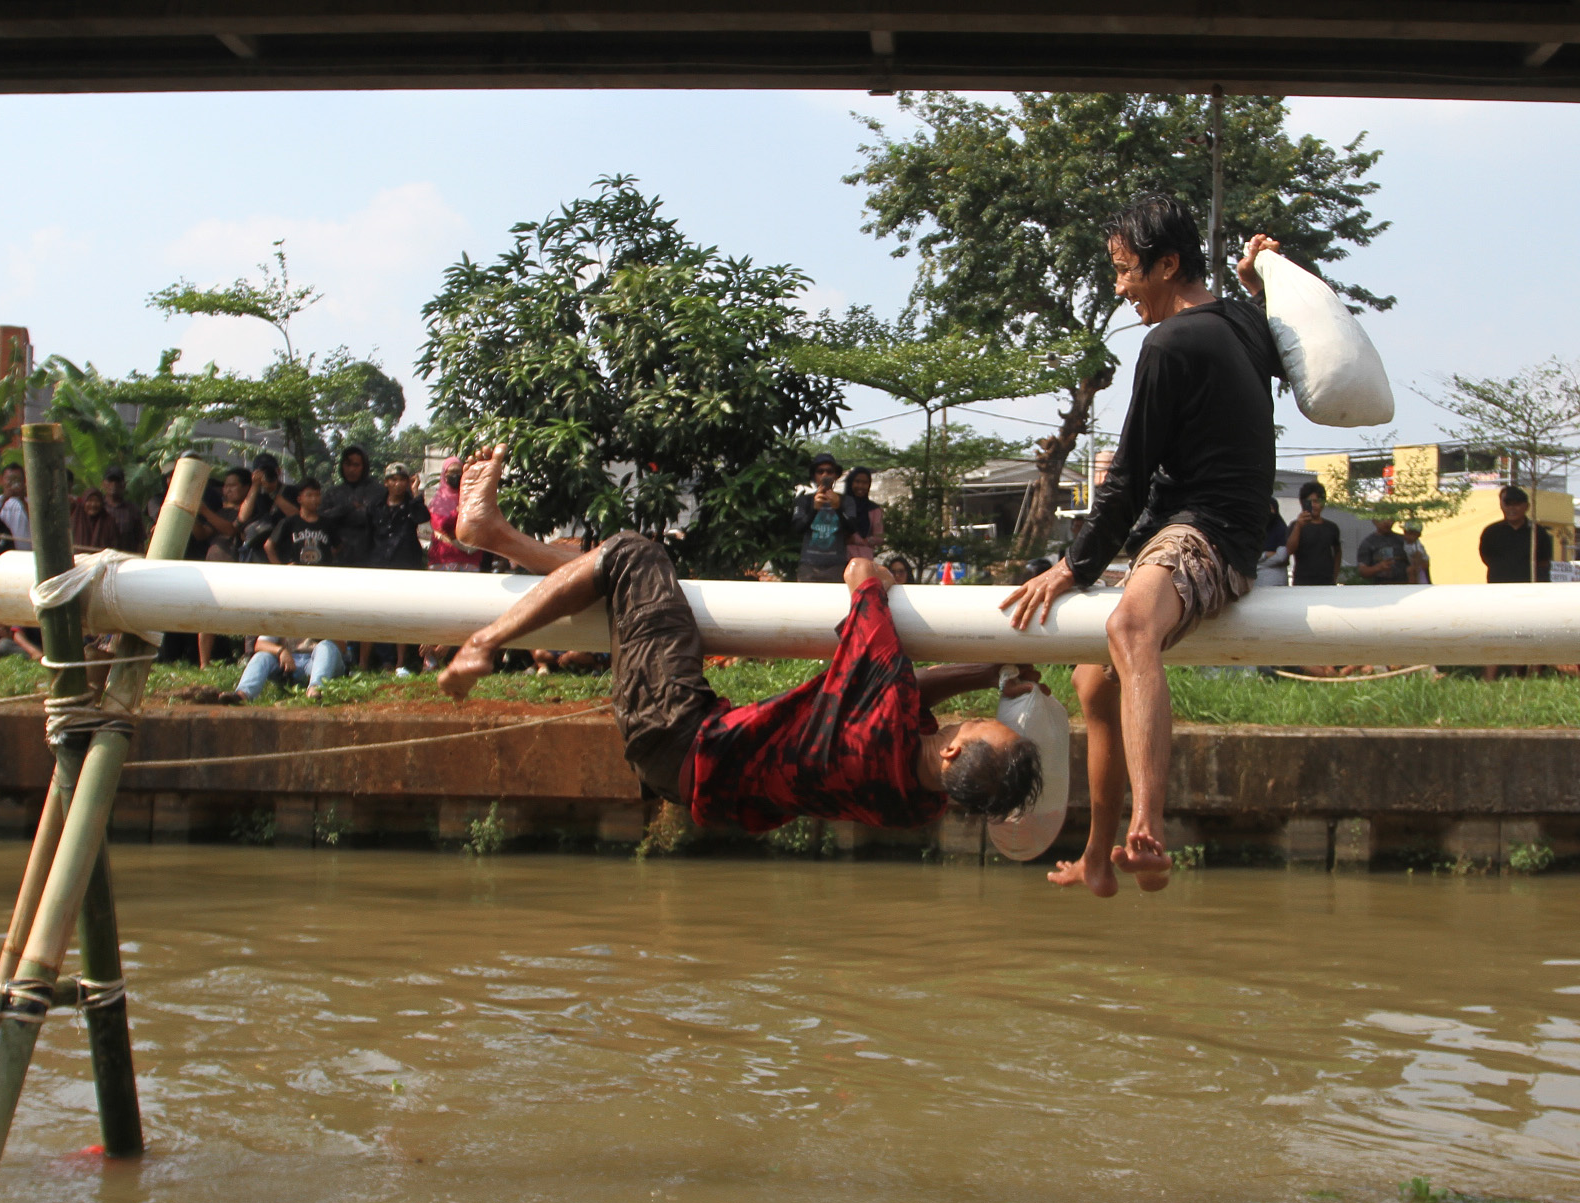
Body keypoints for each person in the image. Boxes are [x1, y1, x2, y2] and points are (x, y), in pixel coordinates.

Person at [439, 445, 1043, 832]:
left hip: (677, 730)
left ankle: (483, 642)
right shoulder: (919, 803)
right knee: (623, 584)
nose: (970, 719)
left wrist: (879, 578)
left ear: (953, 751)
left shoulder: (884, 710)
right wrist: (990, 670)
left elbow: (861, 580)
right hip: (689, 777)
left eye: (979, 725)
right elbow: (906, 695)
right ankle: (495, 536)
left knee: (634, 554)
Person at [999, 195, 1282, 896]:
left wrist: (1073, 567)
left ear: (1168, 264)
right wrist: (1256, 280)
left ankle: (1148, 828)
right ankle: (1097, 857)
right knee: (1093, 682)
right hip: (1198, 521)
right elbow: (1273, 338)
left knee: (1129, 626)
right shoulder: (1239, 321)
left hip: (1210, 530)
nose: (1119, 288)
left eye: (1127, 272)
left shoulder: (1168, 345)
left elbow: (1125, 477)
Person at [362, 461, 431, 673]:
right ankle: (364, 664)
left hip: (405, 567)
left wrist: (414, 494)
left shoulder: (412, 505)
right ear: (386, 483)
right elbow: (367, 535)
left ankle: (401, 663)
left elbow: (423, 517)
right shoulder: (375, 506)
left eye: (402, 479)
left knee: (401, 614)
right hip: (379, 565)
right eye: (393, 479)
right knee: (372, 614)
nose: (398, 484)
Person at [792, 452, 852, 583]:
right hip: (809, 565)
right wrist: (814, 509)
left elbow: (852, 529)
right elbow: (797, 529)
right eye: (820, 471)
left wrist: (838, 508)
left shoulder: (846, 501)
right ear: (814, 475)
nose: (825, 475)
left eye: (829, 471)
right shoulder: (804, 500)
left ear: (836, 475)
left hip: (836, 565)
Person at [1479, 485, 1553, 583]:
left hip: (1530, 590)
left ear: (1527, 506)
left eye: (1517, 504)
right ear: (1502, 506)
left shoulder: (1538, 532)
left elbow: (1544, 561)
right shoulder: (1491, 532)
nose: (1512, 509)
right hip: (1498, 588)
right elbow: (1486, 558)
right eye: (1508, 504)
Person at [325, 447, 384, 568]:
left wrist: (343, 516)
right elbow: (322, 518)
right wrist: (347, 508)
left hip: (369, 556)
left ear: (364, 466)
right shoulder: (333, 493)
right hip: (338, 556)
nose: (351, 469)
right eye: (348, 464)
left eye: (356, 465)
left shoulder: (378, 491)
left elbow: (376, 517)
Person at [237, 634, 344, 700]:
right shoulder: (285, 611)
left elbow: (342, 648)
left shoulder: (327, 612)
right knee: (261, 656)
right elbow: (260, 644)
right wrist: (281, 651)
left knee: (326, 646)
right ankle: (243, 694)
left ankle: (315, 690)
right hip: (286, 663)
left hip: (316, 662)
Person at [268, 479, 337, 566]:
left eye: (317, 495)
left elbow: (337, 546)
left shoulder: (327, 523)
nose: (314, 499)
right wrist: (281, 568)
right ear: (299, 499)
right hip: (296, 573)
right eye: (309, 495)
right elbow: (269, 546)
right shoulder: (289, 523)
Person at [1286, 482, 1343, 587]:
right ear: (1302, 503)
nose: (1313, 505)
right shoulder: (1295, 525)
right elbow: (1289, 550)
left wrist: (1335, 576)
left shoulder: (1331, 527)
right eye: (1309, 502)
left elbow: (1337, 552)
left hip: (1327, 582)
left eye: (1317, 501)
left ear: (1323, 502)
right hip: (1302, 581)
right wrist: (1298, 526)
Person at [844, 467, 885, 563]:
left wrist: (859, 541)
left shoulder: (874, 509)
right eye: (857, 482)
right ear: (850, 483)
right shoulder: (840, 505)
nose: (861, 486)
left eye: (865, 483)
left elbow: (879, 537)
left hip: (864, 560)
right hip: (841, 559)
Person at [1354, 515, 1409, 584]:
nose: (1386, 522)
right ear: (1374, 520)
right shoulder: (1368, 543)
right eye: (1382, 519)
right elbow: (1362, 571)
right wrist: (1378, 568)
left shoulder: (1403, 540)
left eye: (1389, 518)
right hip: (1381, 587)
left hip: (1405, 586)